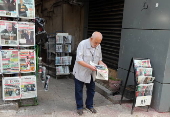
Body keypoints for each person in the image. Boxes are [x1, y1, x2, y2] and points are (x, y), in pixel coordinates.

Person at [73, 31, 107, 115]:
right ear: (91, 39)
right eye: (96, 42)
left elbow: (99, 59)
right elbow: (79, 60)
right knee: (79, 90)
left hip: (91, 72)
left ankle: (89, 105)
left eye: (99, 43)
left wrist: (102, 64)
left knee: (91, 90)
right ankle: (79, 107)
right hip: (81, 71)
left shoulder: (98, 46)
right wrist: (90, 66)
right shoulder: (82, 44)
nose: (97, 44)